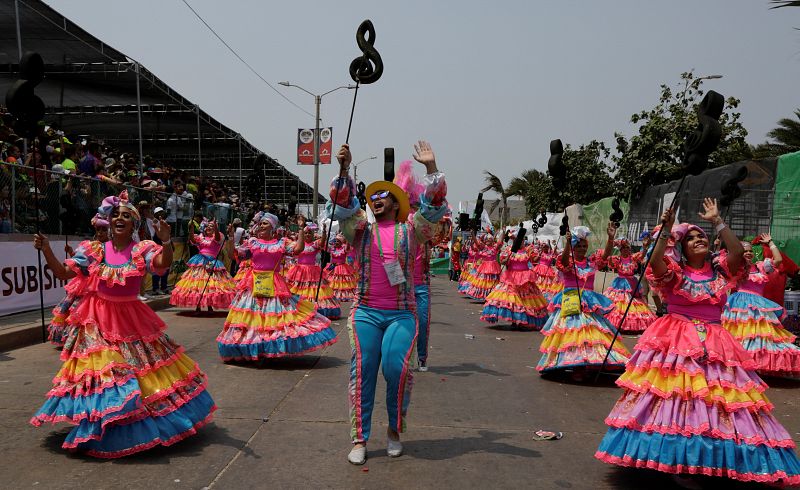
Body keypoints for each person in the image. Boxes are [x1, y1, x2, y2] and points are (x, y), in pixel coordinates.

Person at [595, 200, 800, 486]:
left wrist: (717, 221)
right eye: (690, 238)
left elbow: (738, 251)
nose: (698, 239)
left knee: (718, 402)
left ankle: (712, 459)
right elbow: (655, 262)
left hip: (716, 342)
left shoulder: (720, 271)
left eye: (701, 235)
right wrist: (667, 229)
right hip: (676, 339)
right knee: (677, 399)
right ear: (682, 248)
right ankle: (678, 459)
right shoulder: (674, 273)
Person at [30, 191, 216, 457]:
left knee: (141, 372)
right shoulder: (94, 250)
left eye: (126, 216)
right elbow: (62, 273)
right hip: (97, 320)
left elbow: (162, 264)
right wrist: (46, 248)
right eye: (116, 214)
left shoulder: (142, 250)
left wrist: (165, 242)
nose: (120, 218)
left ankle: (135, 425)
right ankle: (103, 421)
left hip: (131, 320)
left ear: (134, 225)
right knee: (104, 374)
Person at [328, 141, 447, 465]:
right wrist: (343, 167)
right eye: (373, 198)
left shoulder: (411, 231)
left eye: (384, 197)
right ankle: (360, 438)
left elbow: (435, 207)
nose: (377, 200)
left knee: (396, 368)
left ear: (396, 204)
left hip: (401, 314)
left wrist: (431, 167)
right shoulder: (359, 230)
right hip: (365, 311)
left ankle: (394, 430)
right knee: (363, 371)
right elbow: (342, 203)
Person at [216, 212, 337, 361]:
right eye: (260, 223)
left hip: (274, 283)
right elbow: (232, 254)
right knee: (253, 316)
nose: (261, 226)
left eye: (265, 223)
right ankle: (255, 346)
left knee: (273, 317)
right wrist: (230, 237)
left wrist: (300, 229)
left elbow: (298, 250)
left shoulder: (281, 243)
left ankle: (270, 346)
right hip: (254, 283)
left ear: (273, 227)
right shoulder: (252, 242)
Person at [536, 224, 631, 379]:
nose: (582, 249)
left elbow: (605, 256)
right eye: (578, 246)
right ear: (573, 246)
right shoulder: (567, 261)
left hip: (588, 301)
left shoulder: (592, 262)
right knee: (572, 334)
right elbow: (564, 261)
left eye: (584, 246)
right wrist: (567, 243)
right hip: (571, 300)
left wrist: (611, 238)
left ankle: (589, 361)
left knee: (590, 333)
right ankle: (573, 364)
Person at [721, 233, 800, 376]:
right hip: (740, 305)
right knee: (742, 335)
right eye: (745, 251)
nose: (748, 253)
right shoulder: (736, 268)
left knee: (760, 336)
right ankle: (738, 364)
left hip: (759, 305)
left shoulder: (761, 266)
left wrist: (770, 243)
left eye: (750, 250)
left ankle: (756, 365)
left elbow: (778, 260)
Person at [48, 213, 110, 347]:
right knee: (76, 310)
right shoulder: (91, 246)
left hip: (104, 287)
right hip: (86, 284)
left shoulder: (117, 248)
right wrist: (71, 253)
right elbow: (80, 262)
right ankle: (71, 337)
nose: (100, 232)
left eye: (104, 229)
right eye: (98, 229)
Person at [480, 233, 548, 330]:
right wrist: (508, 257)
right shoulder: (509, 249)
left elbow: (534, 260)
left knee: (525, 300)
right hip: (511, 277)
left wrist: (540, 253)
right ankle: (514, 320)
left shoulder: (528, 250)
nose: (520, 242)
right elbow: (503, 261)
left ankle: (522, 321)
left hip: (525, 278)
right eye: (517, 240)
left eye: (521, 240)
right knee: (511, 299)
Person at [170, 218, 236, 311]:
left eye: (211, 226)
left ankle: (209, 305)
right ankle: (198, 305)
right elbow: (192, 239)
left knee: (211, 284)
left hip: (212, 262)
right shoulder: (201, 237)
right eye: (208, 226)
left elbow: (217, 237)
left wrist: (216, 228)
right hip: (200, 261)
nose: (209, 227)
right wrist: (191, 229)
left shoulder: (218, 237)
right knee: (198, 283)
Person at [285, 223, 342, 319]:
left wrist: (324, 232)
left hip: (312, 271)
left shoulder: (315, 245)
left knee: (313, 290)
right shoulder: (297, 244)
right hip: (298, 271)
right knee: (298, 289)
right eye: (306, 233)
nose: (307, 235)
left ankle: (315, 308)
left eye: (309, 233)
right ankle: (299, 307)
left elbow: (323, 242)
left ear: (313, 234)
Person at [602, 237, 656, 334]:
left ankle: (632, 325)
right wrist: (609, 256)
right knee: (622, 303)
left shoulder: (633, 258)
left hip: (632, 283)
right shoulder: (617, 259)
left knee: (634, 303)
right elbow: (611, 264)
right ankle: (620, 324)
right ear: (620, 250)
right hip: (620, 284)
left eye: (627, 248)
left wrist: (644, 247)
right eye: (623, 248)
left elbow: (642, 255)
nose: (626, 250)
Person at [463, 233, 502, 301]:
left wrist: (503, 233)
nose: (488, 240)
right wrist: (473, 236)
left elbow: (500, 242)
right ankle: (483, 295)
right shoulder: (483, 248)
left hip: (494, 268)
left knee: (492, 282)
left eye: (490, 239)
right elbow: (477, 244)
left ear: (492, 241)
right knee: (483, 281)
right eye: (486, 239)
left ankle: (491, 296)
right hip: (484, 267)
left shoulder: (495, 248)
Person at [324, 234, 358, 302]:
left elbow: (348, 247)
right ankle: (331, 294)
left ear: (341, 242)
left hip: (342, 268)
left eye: (338, 241)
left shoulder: (344, 249)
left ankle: (341, 295)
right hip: (332, 267)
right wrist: (325, 235)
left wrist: (348, 239)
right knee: (331, 281)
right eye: (335, 241)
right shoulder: (332, 249)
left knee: (341, 282)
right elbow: (324, 246)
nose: (336, 242)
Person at [149, 207, 171, 296]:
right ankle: (156, 288)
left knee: (166, 268)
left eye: (162, 213)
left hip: (165, 249)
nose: (161, 215)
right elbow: (155, 222)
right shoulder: (153, 222)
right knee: (156, 269)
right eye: (159, 214)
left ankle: (164, 287)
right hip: (156, 250)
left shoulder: (165, 223)